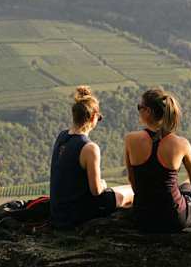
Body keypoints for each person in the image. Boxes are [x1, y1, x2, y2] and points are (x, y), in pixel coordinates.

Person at [125, 87, 191, 233]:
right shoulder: (182, 144)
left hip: (142, 217)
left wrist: (144, 202)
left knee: (183, 187)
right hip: (174, 217)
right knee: (187, 184)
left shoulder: (130, 139)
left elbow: (132, 180)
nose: (138, 111)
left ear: (148, 111)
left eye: (139, 107)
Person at [49, 86, 133, 228]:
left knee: (121, 190)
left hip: (59, 212)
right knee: (131, 191)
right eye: (99, 117)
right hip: (79, 213)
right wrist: (103, 184)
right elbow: (96, 191)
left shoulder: (62, 136)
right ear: (93, 117)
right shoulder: (90, 148)